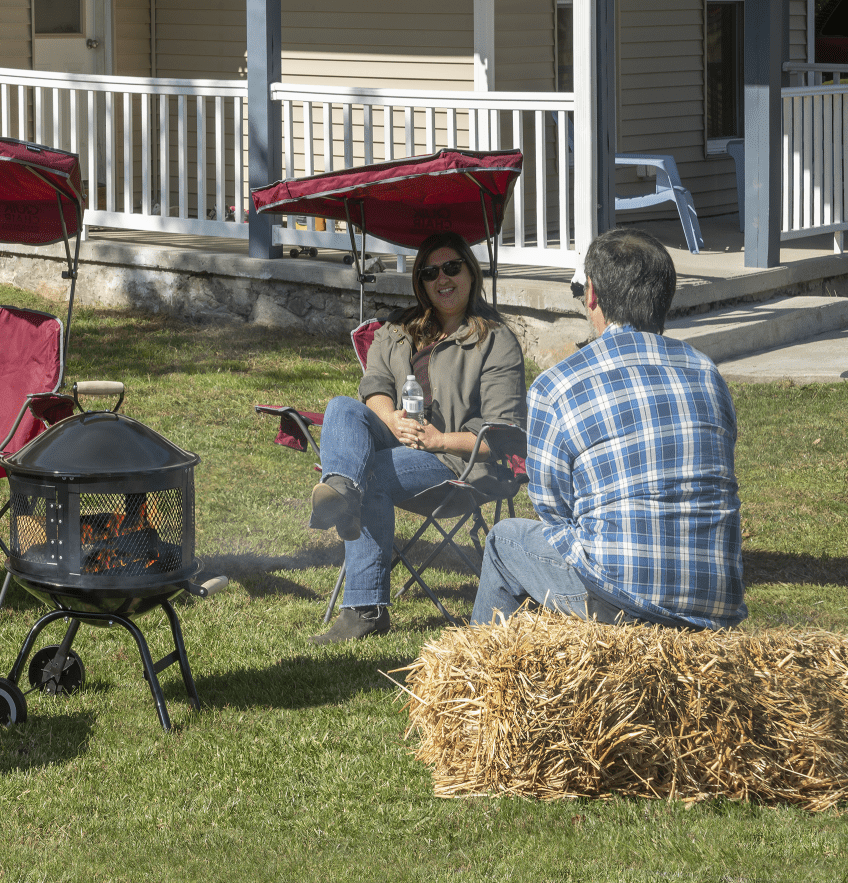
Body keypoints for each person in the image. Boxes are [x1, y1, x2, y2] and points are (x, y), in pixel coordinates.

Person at [470, 228, 745, 629]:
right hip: (717, 600)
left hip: (620, 594)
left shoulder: (556, 385)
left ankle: (483, 684)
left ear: (593, 293)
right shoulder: (707, 372)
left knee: (504, 540)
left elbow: (552, 508)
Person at [308, 232, 527, 643]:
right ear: (420, 282)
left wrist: (439, 439)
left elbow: (501, 433)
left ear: (470, 271)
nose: (442, 278)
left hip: (457, 460)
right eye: (430, 272)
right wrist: (390, 418)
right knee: (342, 406)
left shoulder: (494, 340)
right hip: (396, 439)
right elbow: (373, 383)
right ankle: (342, 491)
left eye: (451, 267)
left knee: (370, 473)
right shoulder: (398, 328)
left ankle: (365, 609)